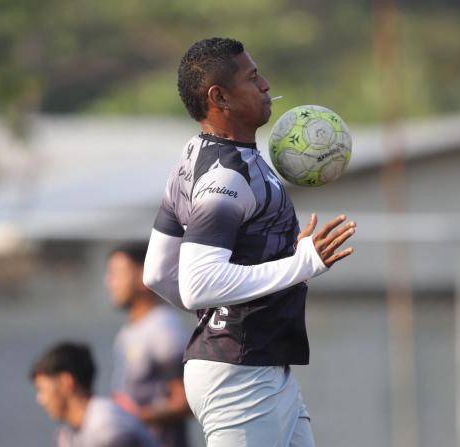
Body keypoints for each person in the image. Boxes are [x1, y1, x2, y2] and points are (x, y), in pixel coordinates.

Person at [142, 37, 356, 447]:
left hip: (257, 366)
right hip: (240, 379)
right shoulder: (226, 177)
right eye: (252, 77)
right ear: (219, 97)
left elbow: (156, 273)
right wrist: (303, 263)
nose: (265, 85)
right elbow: (198, 285)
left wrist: (223, 313)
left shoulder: (195, 156)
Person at [104, 242, 192, 447]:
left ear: (144, 275)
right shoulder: (129, 331)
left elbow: (186, 402)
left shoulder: (163, 328)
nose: (109, 282)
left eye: (117, 273)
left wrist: (131, 418)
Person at [29, 341, 158, 447]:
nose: (40, 399)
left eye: (42, 389)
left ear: (66, 382)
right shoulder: (66, 436)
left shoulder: (108, 428)